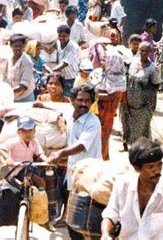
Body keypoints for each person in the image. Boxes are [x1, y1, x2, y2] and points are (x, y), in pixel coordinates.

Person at [48, 85, 102, 237]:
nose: (83, 104)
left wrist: (61, 153)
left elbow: (81, 146)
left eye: (87, 101)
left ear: (92, 102)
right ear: (72, 100)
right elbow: (55, 109)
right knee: (73, 218)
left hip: (89, 175)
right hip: (73, 171)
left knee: (85, 221)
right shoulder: (71, 116)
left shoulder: (93, 122)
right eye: (80, 100)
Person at [120, 42, 160, 151]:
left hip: (143, 105)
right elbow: (124, 79)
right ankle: (125, 145)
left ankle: (141, 149)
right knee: (126, 122)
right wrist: (124, 99)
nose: (143, 53)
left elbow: (156, 85)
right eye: (141, 50)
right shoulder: (131, 63)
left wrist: (150, 98)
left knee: (141, 127)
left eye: (146, 51)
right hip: (127, 100)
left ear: (150, 52)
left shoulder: (153, 68)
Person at [95, 47, 126, 160]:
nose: (101, 62)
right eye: (102, 60)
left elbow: (113, 96)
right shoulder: (103, 74)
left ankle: (101, 158)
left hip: (106, 114)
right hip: (97, 111)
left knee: (103, 137)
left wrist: (96, 97)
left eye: (104, 60)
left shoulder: (119, 79)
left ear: (112, 62)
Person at [52, 25, 81, 97]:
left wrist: (52, 71)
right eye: (60, 36)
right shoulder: (58, 43)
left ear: (69, 35)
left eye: (64, 36)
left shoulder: (73, 47)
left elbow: (64, 64)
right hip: (62, 77)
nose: (62, 38)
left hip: (71, 78)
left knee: (69, 99)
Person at [5, 34, 35, 102]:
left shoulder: (27, 62)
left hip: (26, 98)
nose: (18, 48)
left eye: (20, 46)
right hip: (13, 97)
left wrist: (6, 93)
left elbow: (23, 86)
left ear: (24, 46)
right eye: (15, 46)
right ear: (11, 46)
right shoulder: (9, 57)